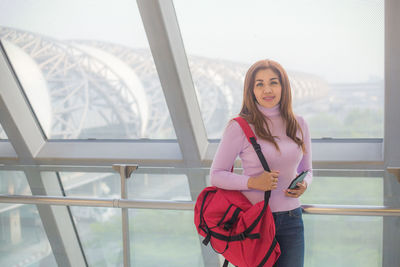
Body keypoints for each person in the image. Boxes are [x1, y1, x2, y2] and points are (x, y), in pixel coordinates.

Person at [210, 59, 312, 267]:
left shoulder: (299, 123)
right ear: (251, 90)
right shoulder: (239, 127)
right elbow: (216, 174)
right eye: (259, 84)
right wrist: (252, 183)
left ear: (283, 86)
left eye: (273, 82)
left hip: (292, 219)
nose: (267, 89)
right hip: (256, 222)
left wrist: (304, 184)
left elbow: (307, 169)